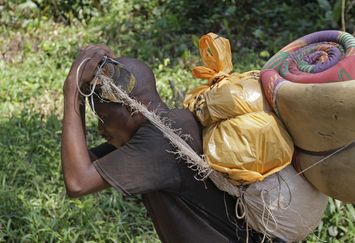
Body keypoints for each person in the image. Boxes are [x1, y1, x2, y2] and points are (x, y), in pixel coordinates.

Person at [61, 44, 269, 243]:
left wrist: (71, 89)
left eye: (104, 118)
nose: (101, 130)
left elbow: (78, 182)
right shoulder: (166, 127)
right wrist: (80, 94)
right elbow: (79, 164)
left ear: (133, 108)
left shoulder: (160, 143)